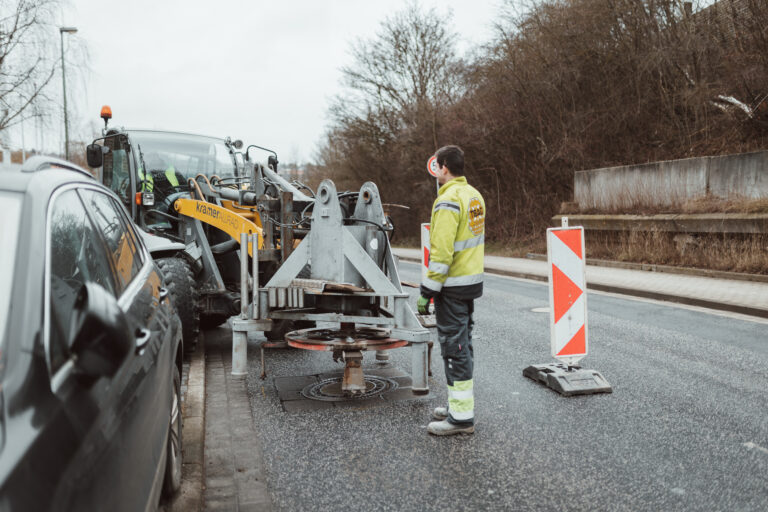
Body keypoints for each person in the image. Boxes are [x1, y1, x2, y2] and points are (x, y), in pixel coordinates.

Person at [418, 145, 485, 436]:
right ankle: (458, 406)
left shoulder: (448, 200)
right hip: (470, 284)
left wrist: (427, 291)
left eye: (438, 166)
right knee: (463, 345)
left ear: (443, 166)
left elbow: (442, 253)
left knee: (454, 349)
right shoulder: (474, 196)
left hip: (452, 287)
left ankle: (460, 419)